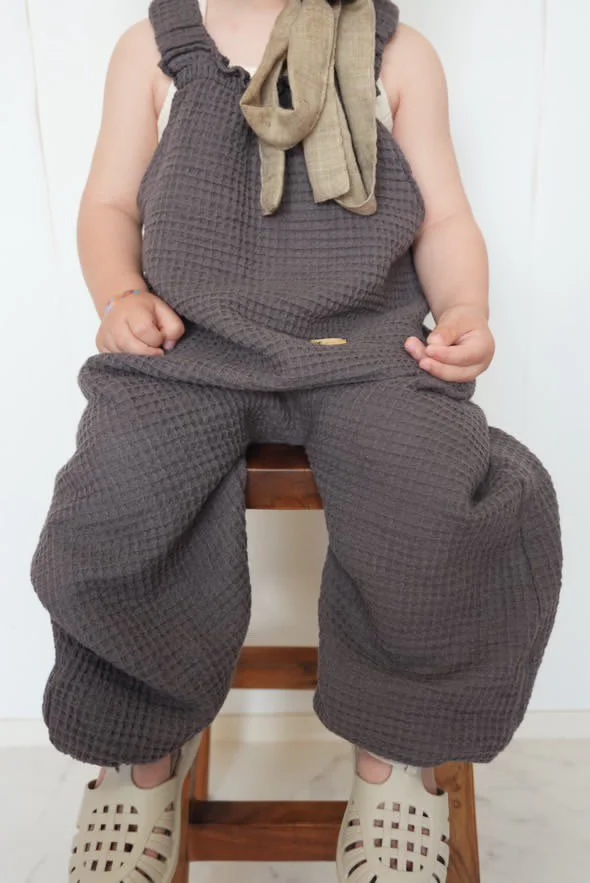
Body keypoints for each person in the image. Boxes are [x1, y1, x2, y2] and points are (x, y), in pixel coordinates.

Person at [30, 0, 562, 880]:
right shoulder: (152, 51)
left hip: (363, 348)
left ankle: (398, 764)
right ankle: (140, 758)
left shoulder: (399, 54)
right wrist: (121, 296)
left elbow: (443, 218)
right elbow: (110, 203)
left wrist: (466, 308)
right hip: (189, 342)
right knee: (115, 496)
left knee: (435, 500)